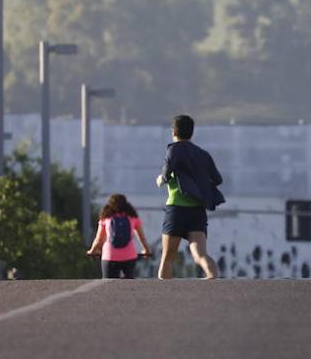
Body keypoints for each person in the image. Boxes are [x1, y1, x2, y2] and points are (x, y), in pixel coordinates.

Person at [155, 114, 224, 279]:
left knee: (168, 257)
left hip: (176, 210)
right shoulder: (203, 154)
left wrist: (159, 180)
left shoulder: (173, 149)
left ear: (174, 132)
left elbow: (165, 176)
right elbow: (218, 179)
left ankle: (162, 297)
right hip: (197, 211)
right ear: (192, 132)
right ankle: (214, 278)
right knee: (200, 254)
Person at [86, 193, 153, 279]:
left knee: (108, 285)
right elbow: (142, 239)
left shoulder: (106, 219)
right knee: (129, 284)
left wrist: (92, 251)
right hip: (129, 256)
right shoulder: (133, 218)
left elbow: (99, 240)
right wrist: (146, 251)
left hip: (110, 256)